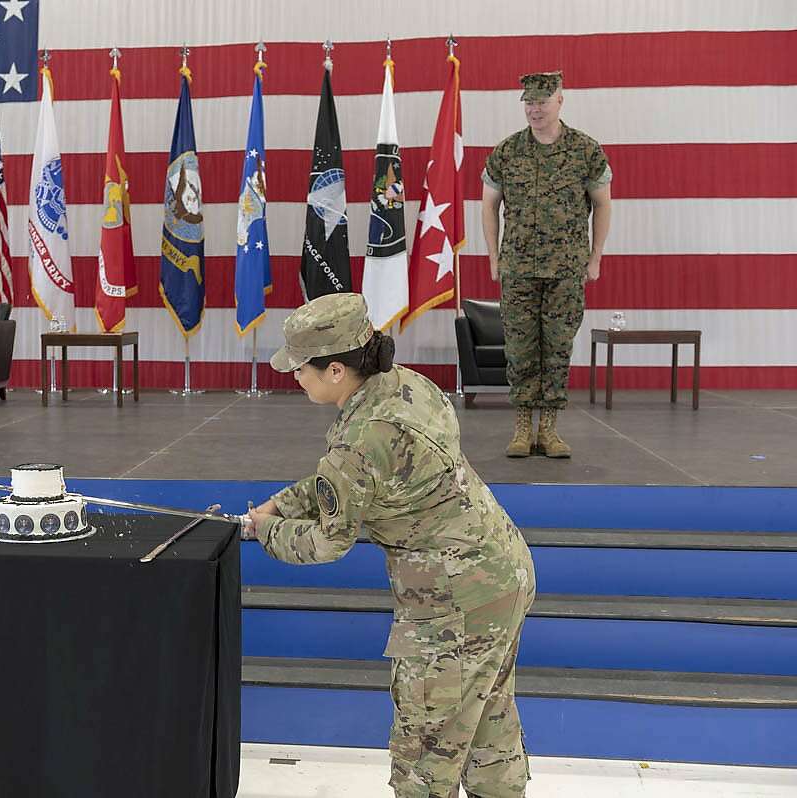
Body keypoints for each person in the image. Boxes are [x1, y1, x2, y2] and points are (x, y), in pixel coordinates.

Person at [243, 293, 536, 798]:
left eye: (300, 369)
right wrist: (283, 503)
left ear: (335, 370)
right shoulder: (406, 386)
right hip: (502, 573)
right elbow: (351, 483)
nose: (294, 377)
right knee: (489, 725)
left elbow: (326, 542)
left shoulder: (360, 437)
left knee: (424, 751)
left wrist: (263, 529)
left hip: (450, 603)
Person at [480, 71, 613, 458]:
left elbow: (602, 204)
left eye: (541, 101)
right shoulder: (507, 152)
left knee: (557, 348)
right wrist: (493, 255)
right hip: (519, 267)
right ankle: (522, 429)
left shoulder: (585, 150)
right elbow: (489, 204)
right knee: (520, 348)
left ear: (560, 100)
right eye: (529, 102)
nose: (534, 109)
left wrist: (596, 257)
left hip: (566, 269)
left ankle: (549, 431)